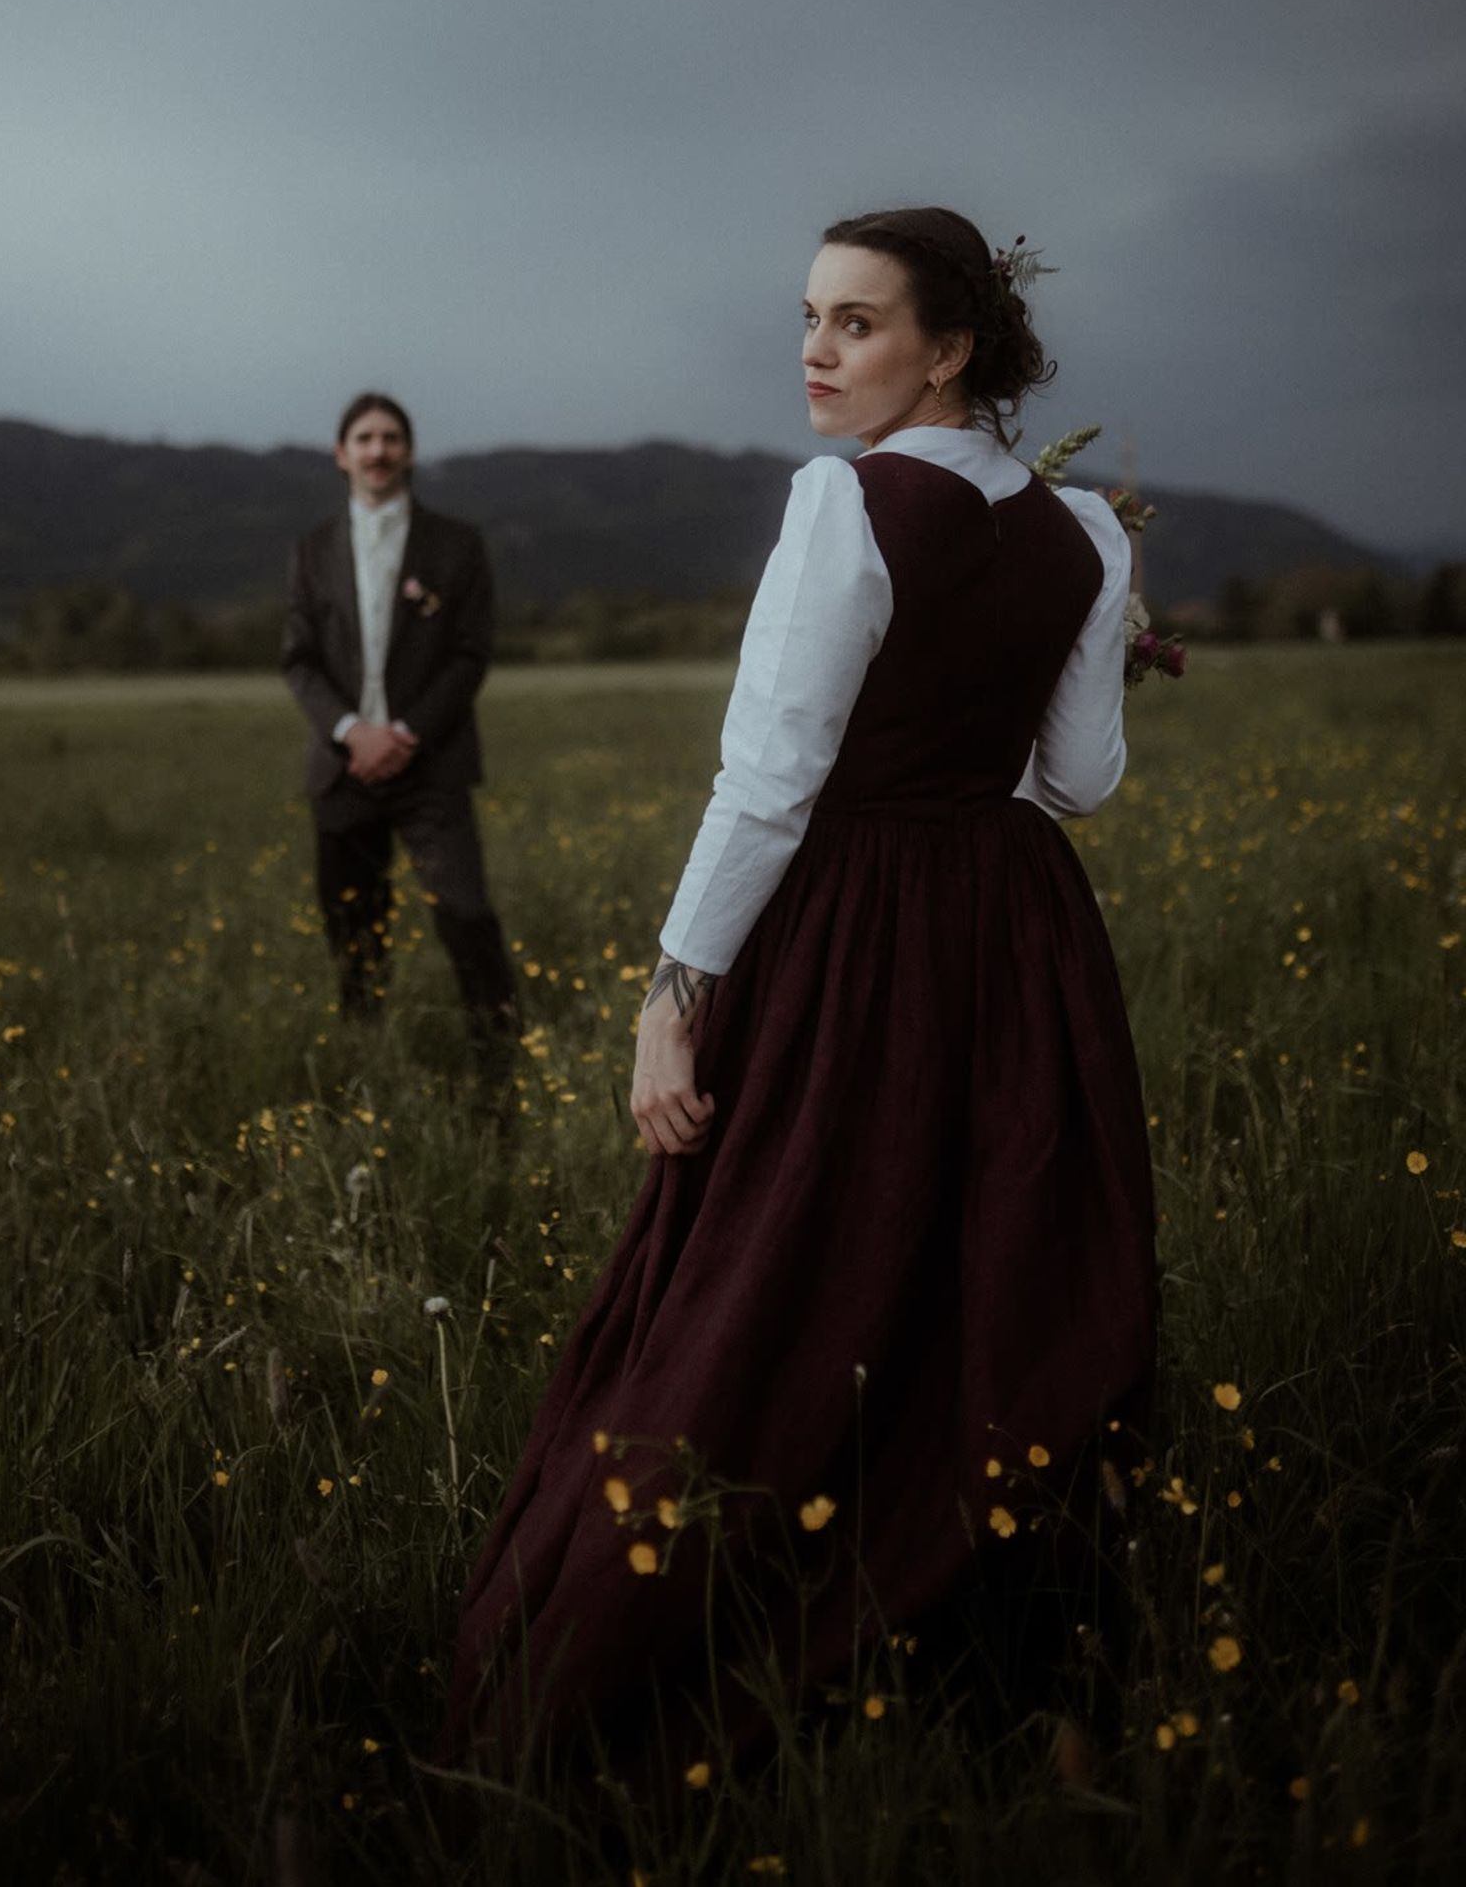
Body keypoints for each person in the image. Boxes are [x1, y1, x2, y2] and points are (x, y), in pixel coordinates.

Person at [443, 206, 1157, 1772]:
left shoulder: (842, 507)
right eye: (812, 319)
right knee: (985, 1259)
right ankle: (986, 1643)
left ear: (948, 348)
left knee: (786, 1265)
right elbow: (1079, 781)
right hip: (1018, 932)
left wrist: (672, 993)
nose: (816, 353)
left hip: (852, 925)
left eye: (855, 323)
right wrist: (1109, 617)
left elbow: (770, 782)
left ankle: (696, 1646)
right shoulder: (1088, 532)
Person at [280, 392, 516, 1037]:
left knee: (466, 914)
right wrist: (354, 732)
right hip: (342, 766)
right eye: (364, 438)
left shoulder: (457, 545)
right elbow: (298, 659)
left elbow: (471, 655)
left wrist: (404, 735)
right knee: (351, 923)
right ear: (341, 454)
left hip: (431, 763)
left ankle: (499, 1052)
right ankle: (364, 1051)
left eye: (390, 437)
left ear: (408, 451)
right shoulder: (311, 550)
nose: (378, 449)